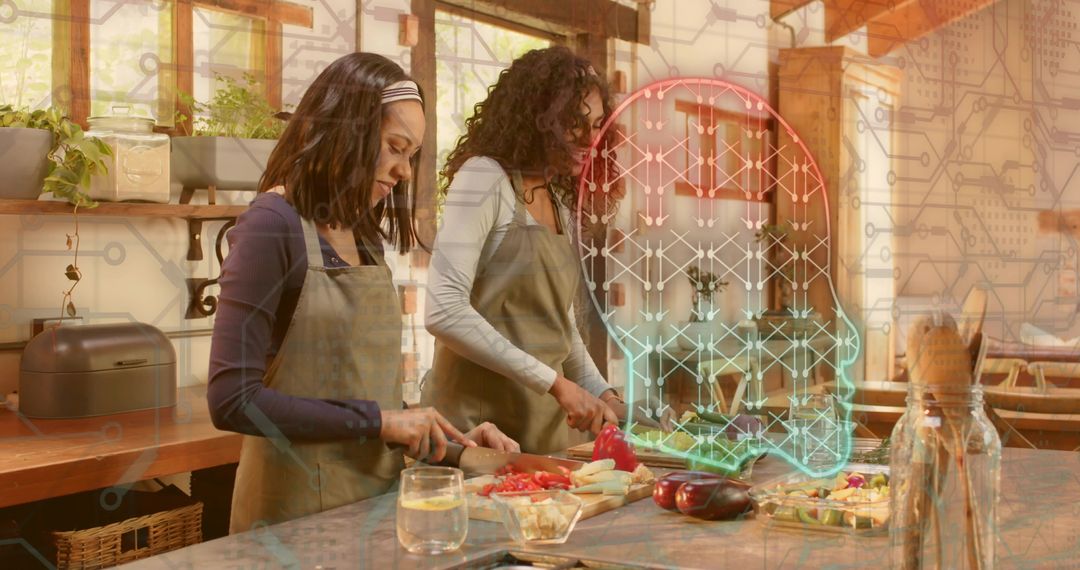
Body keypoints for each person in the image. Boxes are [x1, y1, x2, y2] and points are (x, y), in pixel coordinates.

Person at [207, 52, 517, 534]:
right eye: (396, 147)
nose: (404, 172)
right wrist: (380, 422)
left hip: (371, 513)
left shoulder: (364, 238)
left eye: (411, 155)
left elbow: (365, 398)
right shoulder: (272, 227)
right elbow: (232, 399)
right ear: (347, 130)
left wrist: (456, 445)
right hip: (290, 524)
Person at [420, 46, 635, 454]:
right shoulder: (483, 178)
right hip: (475, 433)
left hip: (541, 435)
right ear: (540, 119)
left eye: (596, 125)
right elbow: (443, 309)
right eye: (575, 123)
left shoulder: (559, 196)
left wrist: (603, 394)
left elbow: (559, 326)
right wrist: (555, 384)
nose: (591, 139)